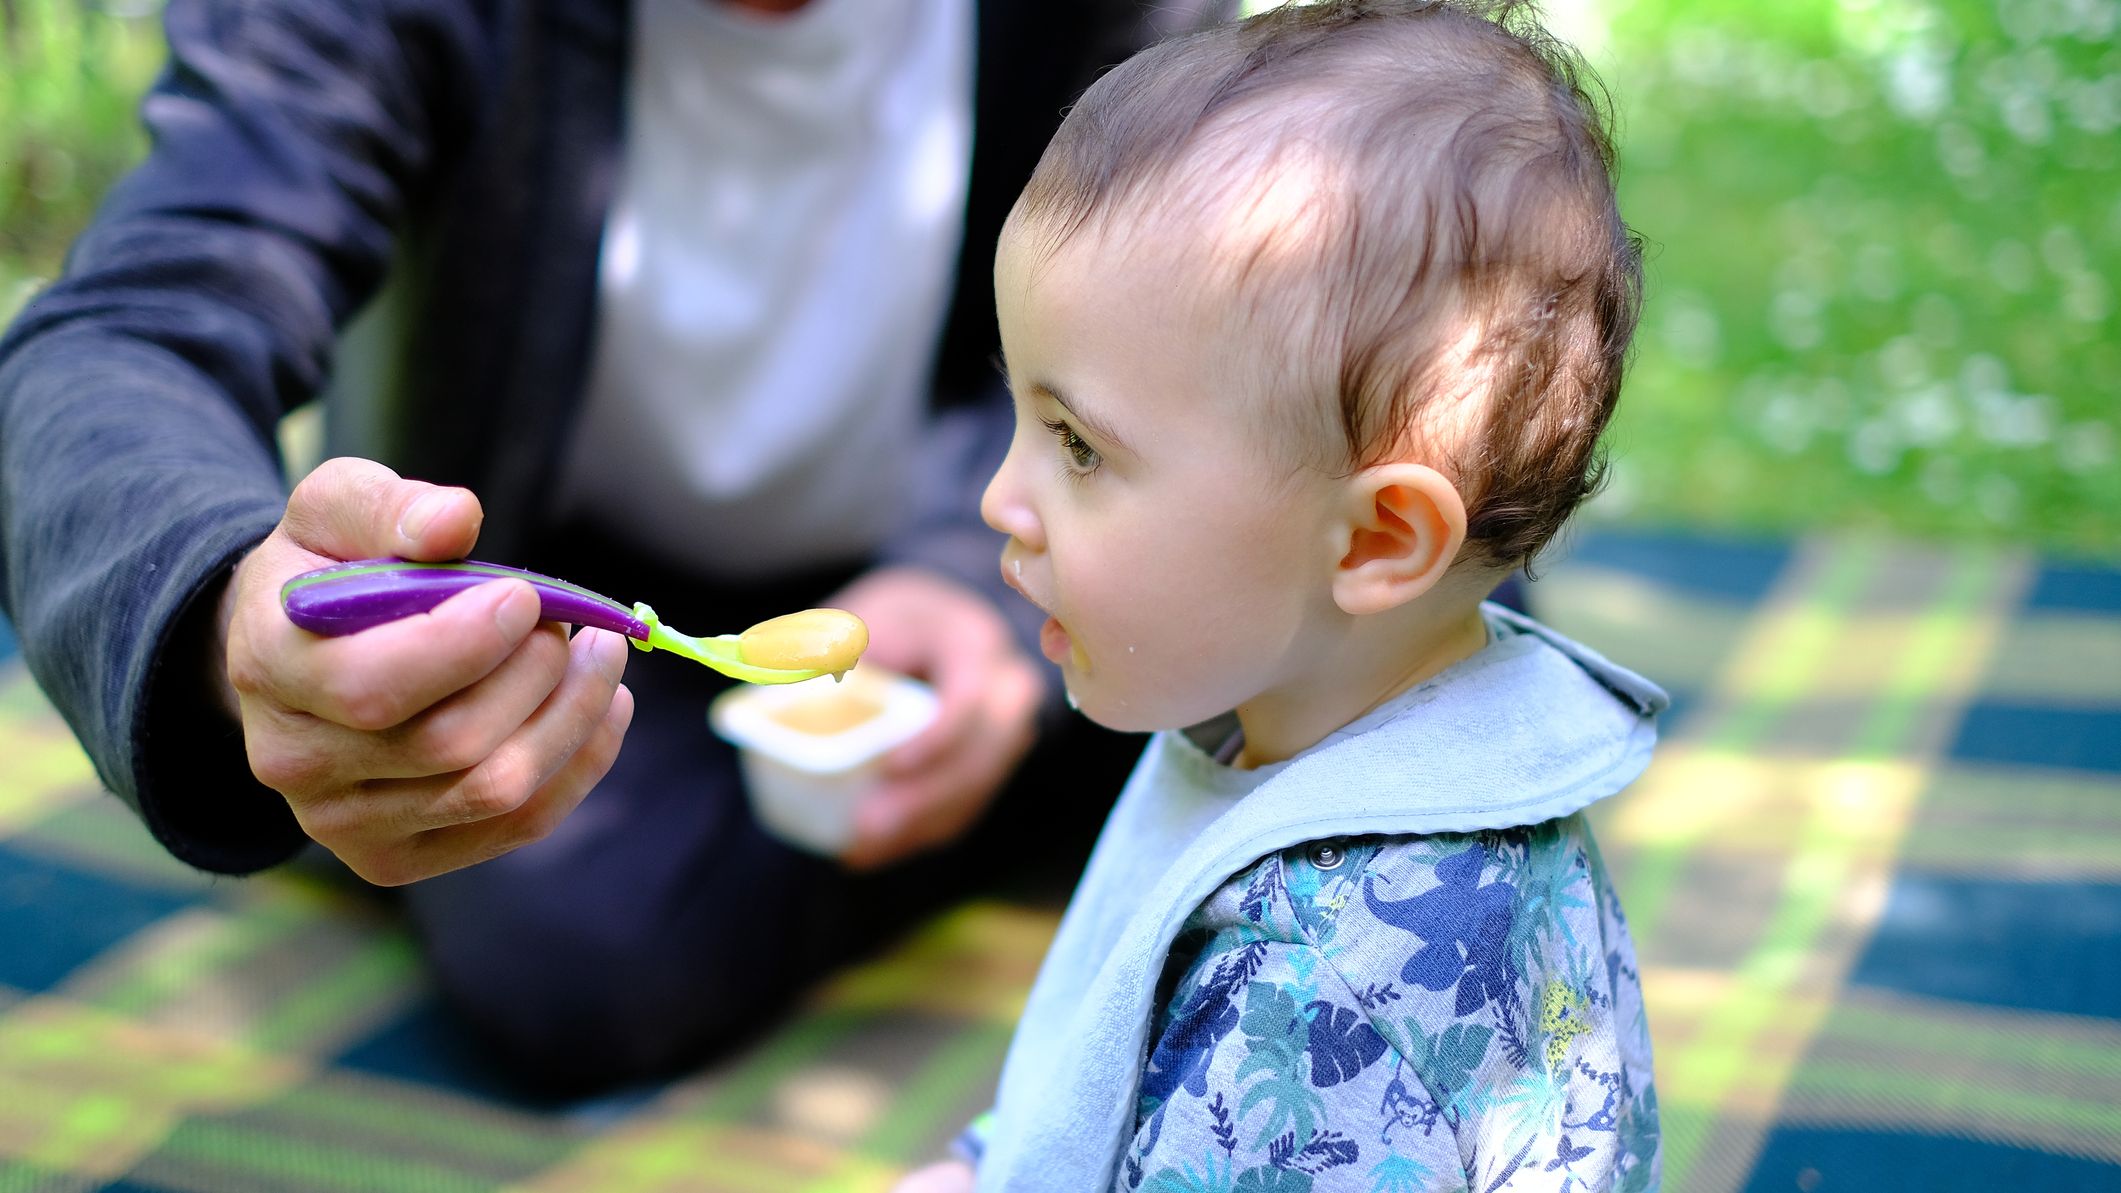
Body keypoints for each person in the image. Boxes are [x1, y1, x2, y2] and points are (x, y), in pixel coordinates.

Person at [0, 0, 1237, 1093]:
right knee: (576, 938)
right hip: (564, 629)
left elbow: (1182, 371)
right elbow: (128, 333)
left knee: (1233, 671)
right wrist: (228, 619)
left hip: (970, 556)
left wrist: (968, 583)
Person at [891, 2, 1666, 1189]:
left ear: (1376, 539)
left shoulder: (1320, 980)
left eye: (1079, 446)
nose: (999, 498)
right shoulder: (1310, 725)